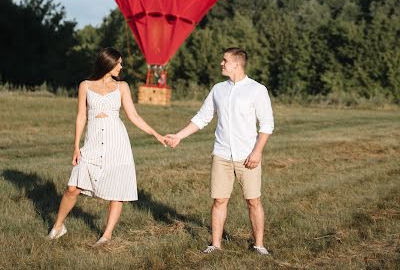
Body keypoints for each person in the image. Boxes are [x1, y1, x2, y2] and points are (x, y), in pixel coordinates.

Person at [47, 47, 167, 246]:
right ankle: (58, 227)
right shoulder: (85, 85)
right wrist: (77, 147)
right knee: (72, 188)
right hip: (92, 142)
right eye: (119, 63)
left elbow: (133, 116)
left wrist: (156, 134)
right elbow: (81, 116)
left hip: (117, 141)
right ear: (108, 63)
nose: (122, 66)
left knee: (117, 189)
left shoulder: (122, 87)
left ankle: (106, 236)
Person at [165, 47, 274, 256]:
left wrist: (257, 152)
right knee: (219, 200)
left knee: (253, 201)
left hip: (248, 156)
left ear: (236, 64)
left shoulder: (257, 90)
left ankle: (259, 245)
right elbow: (202, 117)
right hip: (222, 155)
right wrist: (179, 136)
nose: (221, 64)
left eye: (224, 61)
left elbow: (267, 125)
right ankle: (215, 245)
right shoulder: (218, 89)